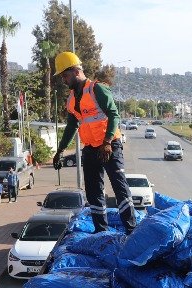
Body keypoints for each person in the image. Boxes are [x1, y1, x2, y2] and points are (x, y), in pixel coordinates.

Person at [51, 51, 136, 234]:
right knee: (93, 192)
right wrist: (60, 150)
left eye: (65, 75)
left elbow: (114, 115)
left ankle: (131, 229)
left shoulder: (97, 89)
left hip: (109, 146)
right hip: (90, 148)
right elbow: (71, 126)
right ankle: (101, 231)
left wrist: (107, 142)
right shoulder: (71, 100)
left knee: (119, 186)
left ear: (76, 71)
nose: (63, 80)